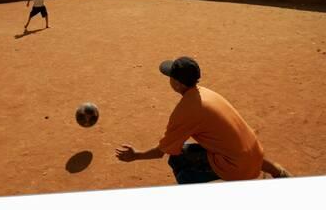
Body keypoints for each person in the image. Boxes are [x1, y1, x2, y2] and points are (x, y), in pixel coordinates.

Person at [115, 56, 291, 184]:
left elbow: (163, 150)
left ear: (177, 83)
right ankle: (279, 172)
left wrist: (136, 155)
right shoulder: (206, 93)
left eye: (170, 76)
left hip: (237, 167)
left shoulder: (185, 110)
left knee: (178, 162)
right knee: (230, 146)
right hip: (255, 153)